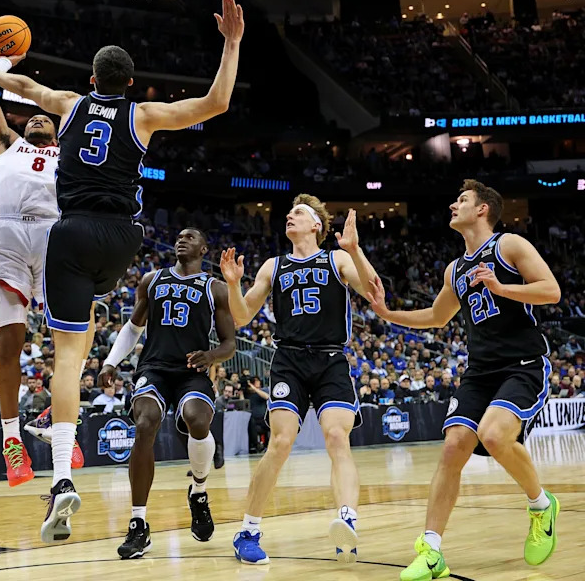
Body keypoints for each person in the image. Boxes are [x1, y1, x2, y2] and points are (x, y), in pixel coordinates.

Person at [0, 0, 244, 543]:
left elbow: (24, 89)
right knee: (95, 315)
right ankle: (110, 349)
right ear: (130, 84)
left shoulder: (69, 104)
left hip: (71, 232)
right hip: (122, 241)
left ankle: (62, 477)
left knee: (67, 357)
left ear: (91, 78)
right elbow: (216, 102)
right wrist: (231, 42)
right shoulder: (144, 115)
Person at [359, 180, 562, 579]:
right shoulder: (456, 269)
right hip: (480, 370)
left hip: (522, 363)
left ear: (483, 209)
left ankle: (541, 505)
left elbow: (551, 291)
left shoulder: (510, 246)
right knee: (453, 447)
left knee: (493, 435)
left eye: (462, 200)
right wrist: (387, 313)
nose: (454, 205)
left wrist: (501, 287)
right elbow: (436, 317)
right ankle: (432, 550)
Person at [221, 202, 378, 566]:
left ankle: (347, 520)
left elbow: (373, 290)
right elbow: (242, 317)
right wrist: (233, 284)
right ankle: (248, 530)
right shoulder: (273, 266)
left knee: (338, 438)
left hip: (330, 359)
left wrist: (354, 249)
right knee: (280, 442)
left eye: (299, 212)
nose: (289, 215)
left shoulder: (336, 260)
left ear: (317, 225)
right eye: (288, 212)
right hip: (289, 359)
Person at [99, 228, 235, 559]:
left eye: (190, 237)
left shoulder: (214, 288)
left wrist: (212, 356)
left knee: (196, 420)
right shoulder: (152, 279)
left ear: (204, 248)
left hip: (192, 371)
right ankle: (138, 524)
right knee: (145, 423)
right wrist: (111, 362)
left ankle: (199, 492)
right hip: (154, 368)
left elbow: (230, 343)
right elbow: (133, 328)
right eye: (179, 236)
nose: (181, 239)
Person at [0, 52, 61, 487]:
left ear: (58, 129)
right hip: (5, 235)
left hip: (55, 236)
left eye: (45, 118)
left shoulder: (70, 153)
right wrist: (4, 60)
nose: (37, 119)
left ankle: (61, 422)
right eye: (32, 118)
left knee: (70, 338)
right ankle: (11, 440)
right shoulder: (6, 142)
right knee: (11, 341)